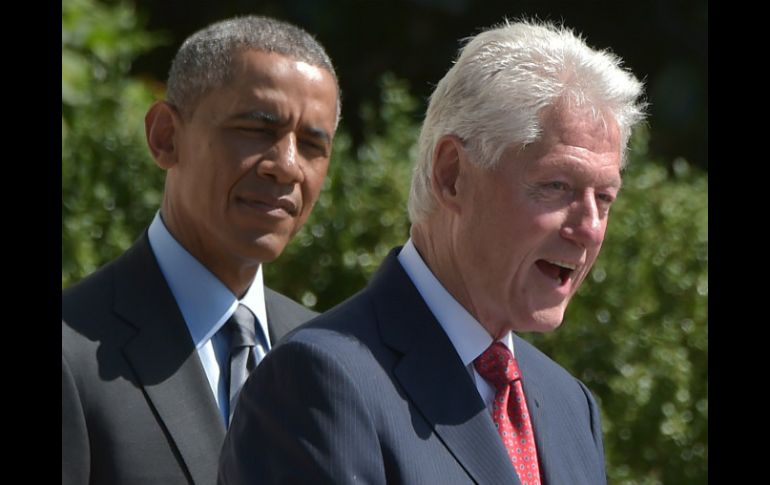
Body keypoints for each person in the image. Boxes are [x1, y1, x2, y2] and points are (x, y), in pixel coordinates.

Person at [219, 19, 646, 485]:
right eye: (557, 186)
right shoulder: (319, 382)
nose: (588, 227)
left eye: (605, 198)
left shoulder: (570, 405)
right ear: (452, 175)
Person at [62, 15, 340, 485]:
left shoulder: (333, 356)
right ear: (166, 137)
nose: (287, 167)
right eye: (256, 129)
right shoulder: (73, 357)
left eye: (312, 144)